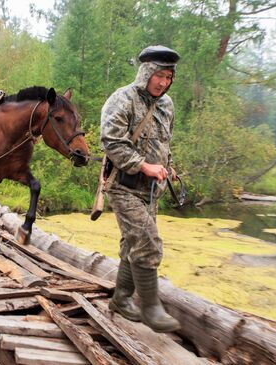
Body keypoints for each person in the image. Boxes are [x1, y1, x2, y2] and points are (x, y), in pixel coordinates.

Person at [101, 45, 181, 333]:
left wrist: (167, 166)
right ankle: (151, 307)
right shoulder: (122, 99)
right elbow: (111, 142)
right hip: (123, 186)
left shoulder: (167, 105)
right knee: (147, 240)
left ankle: (121, 299)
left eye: (169, 76)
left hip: (152, 191)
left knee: (132, 243)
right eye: (159, 74)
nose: (163, 82)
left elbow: (164, 141)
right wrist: (144, 166)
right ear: (146, 72)